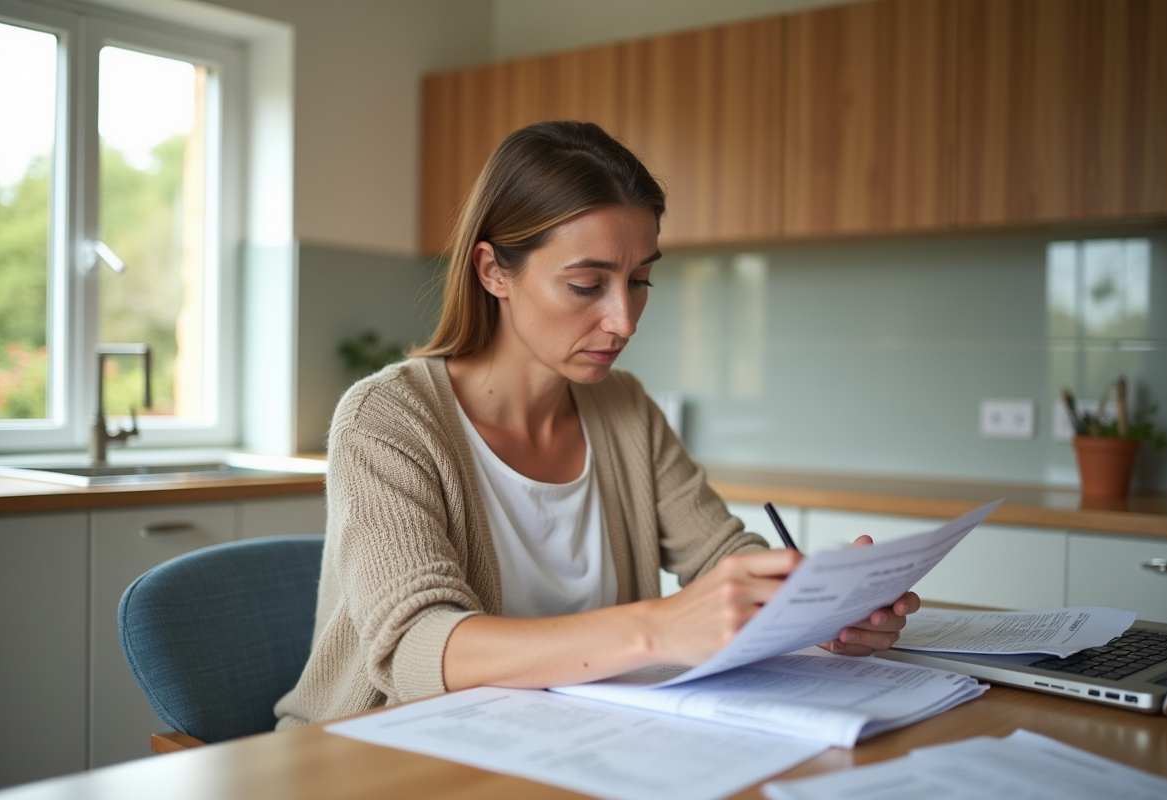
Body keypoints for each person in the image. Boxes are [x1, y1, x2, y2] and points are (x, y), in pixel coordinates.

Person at [275, 120, 918, 728]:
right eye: (587, 285)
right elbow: (420, 648)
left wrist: (815, 605)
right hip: (383, 751)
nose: (625, 320)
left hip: (566, 741)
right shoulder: (387, 418)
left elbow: (723, 555)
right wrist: (659, 628)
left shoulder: (625, 408)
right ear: (493, 271)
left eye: (640, 281)